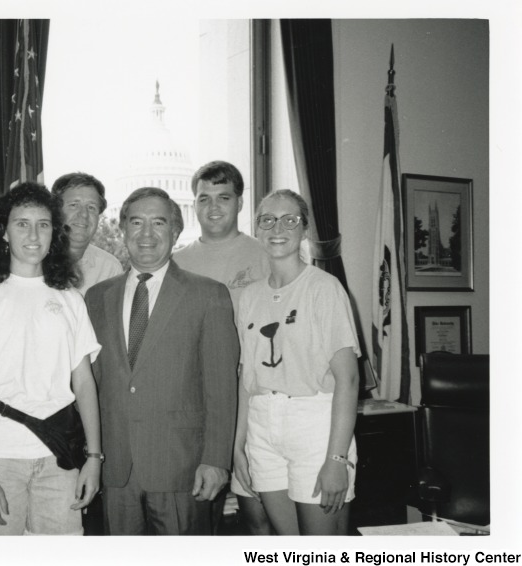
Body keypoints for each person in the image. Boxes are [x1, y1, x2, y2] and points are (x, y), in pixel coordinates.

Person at [0, 183, 102, 535]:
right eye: (22, 224)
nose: (33, 234)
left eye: (43, 224)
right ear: (3, 231)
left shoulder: (69, 299)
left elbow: (84, 383)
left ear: (54, 233)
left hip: (59, 459)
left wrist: (94, 458)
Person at [84, 187, 238, 535]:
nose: (147, 233)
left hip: (182, 465)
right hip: (117, 465)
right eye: (136, 222)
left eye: (159, 222)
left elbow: (222, 387)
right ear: (123, 230)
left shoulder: (208, 294)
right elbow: (91, 382)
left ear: (175, 231)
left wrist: (216, 460)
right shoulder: (96, 298)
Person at [234, 189, 359, 536]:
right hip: (261, 424)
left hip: (314, 425)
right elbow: (247, 376)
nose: (278, 228)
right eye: (268, 220)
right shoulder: (249, 296)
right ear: (257, 230)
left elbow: (348, 380)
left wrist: (336, 460)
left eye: (290, 220)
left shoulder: (324, 288)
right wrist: (238, 446)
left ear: (304, 229)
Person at [173, 160, 273, 534]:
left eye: (224, 197)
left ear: (241, 202)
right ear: (194, 204)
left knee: (258, 514)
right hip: (200, 403)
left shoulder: (265, 254)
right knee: (201, 514)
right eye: (204, 198)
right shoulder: (178, 263)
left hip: (254, 396)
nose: (213, 207)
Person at [50, 171, 123, 295]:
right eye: (74, 205)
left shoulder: (109, 269)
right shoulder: (34, 261)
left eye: (91, 207)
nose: (83, 214)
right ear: (55, 211)